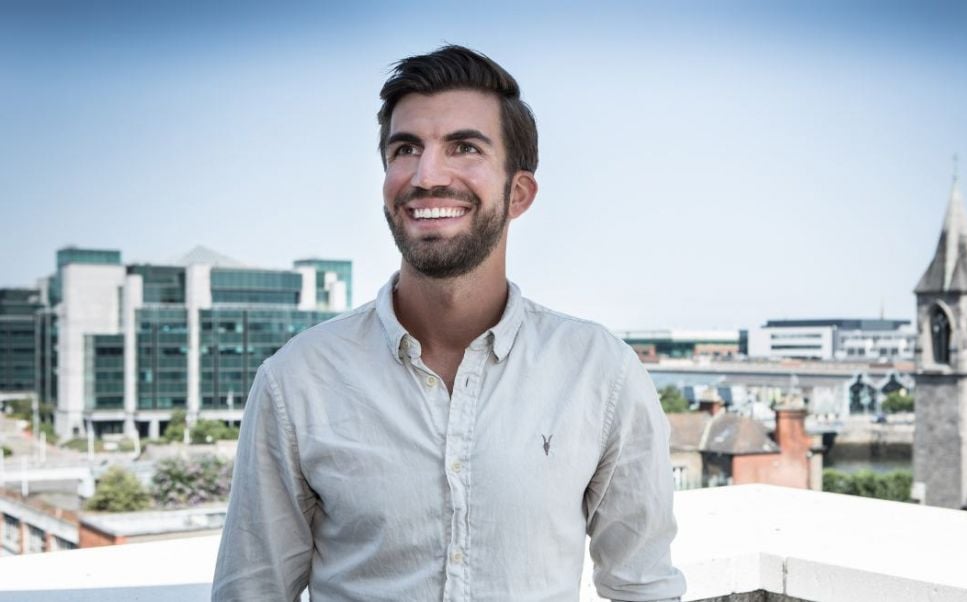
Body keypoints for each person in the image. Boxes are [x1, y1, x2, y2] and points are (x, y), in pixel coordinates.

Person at [212, 45, 686, 602]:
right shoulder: (297, 380)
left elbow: (644, 588)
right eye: (405, 148)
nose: (426, 175)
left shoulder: (599, 373)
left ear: (519, 193)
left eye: (464, 147)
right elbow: (253, 591)